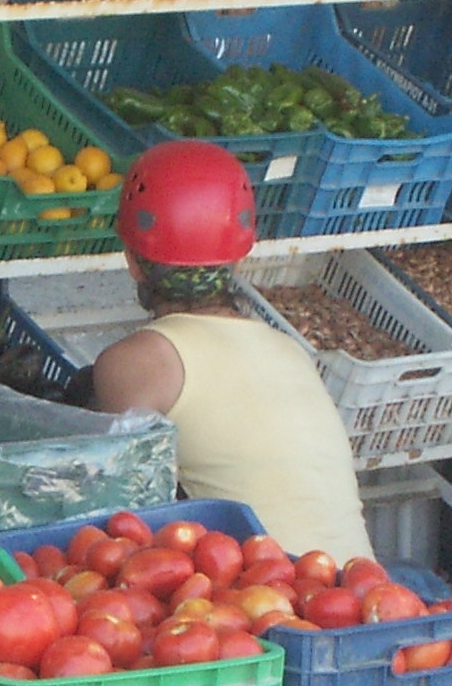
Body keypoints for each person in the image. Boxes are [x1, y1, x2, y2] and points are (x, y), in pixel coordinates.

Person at [85, 140, 379, 563]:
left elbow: (121, 510)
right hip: (366, 584)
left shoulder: (138, 362)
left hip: (275, 591)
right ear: (239, 259)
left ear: (132, 261)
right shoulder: (289, 350)